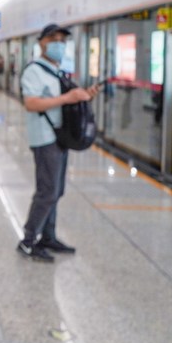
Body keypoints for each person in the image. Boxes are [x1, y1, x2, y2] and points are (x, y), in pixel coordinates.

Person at [17, 24, 100, 262]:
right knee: (47, 191)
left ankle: (48, 236)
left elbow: (64, 101)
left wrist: (82, 96)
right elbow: (31, 103)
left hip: (60, 137)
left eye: (62, 40)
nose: (58, 44)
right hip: (44, 138)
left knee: (57, 190)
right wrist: (67, 98)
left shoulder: (57, 71)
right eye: (53, 39)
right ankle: (28, 241)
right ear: (41, 42)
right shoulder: (34, 71)